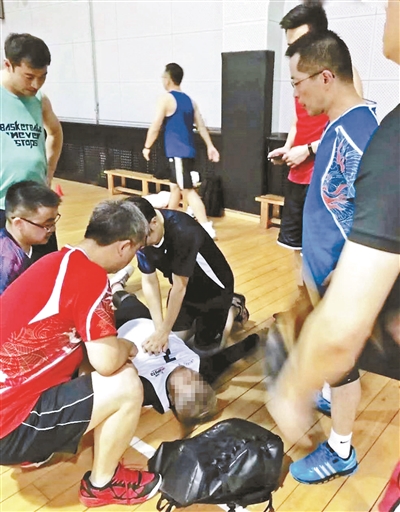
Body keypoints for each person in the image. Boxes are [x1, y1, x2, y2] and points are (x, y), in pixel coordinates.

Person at [266, 0, 399, 497]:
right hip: (325, 279)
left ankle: (341, 448)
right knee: (338, 372)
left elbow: (371, 230)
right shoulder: (338, 128)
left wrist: (338, 296)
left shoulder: (363, 137)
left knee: (343, 368)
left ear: (325, 77)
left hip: (341, 287)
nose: (296, 94)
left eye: (297, 83)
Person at [0, 199, 163, 507]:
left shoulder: (55, 260)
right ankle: (103, 484)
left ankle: (36, 450)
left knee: (83, 354)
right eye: (135, 251)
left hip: (6, 404)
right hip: (9, 426)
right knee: (126, 382)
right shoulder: (91, 277)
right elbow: (107, 362)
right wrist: (126, 346)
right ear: (124, 247)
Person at [268, 3, 363, 306]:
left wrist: (307, 150)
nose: (294, 51)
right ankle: (305, 305)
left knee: (327, 250)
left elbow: (346, 127)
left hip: (321, 172)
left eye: (300, 42)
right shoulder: (302, 77)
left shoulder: (342, 78)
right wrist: (290, 148)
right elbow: (298, 121)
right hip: (299, 172)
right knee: (298, 245)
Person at [122, 196, 248, 356]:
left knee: (204, 352)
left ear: (154, 222)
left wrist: (164, 332)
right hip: (185, 291)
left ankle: (233, 307)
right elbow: (149, 281)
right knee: (175, 342)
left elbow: (179, 287)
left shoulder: (184, 231)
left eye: (142, 241)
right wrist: (159, 328)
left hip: (215, 292)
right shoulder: (140, 233)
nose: (140, 247)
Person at [113, 292, 259, 425]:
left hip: (123, 329)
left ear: (172, 398)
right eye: (199, 379)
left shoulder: (149, 391)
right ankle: (234, 307)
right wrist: (254, 339)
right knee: (123, 296)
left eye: (187, 381)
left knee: (110, 305)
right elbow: (226, 358)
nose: (191, 373)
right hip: (152, 323)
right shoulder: (200, 371)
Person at [0, 33, 63, 259]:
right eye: (29, 77)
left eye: (42, 77)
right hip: (3, 206)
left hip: (38, 206)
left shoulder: (40, 100)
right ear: (8, 65)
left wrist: (49, 173)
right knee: (8, 274)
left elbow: (55, 132)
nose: (36, 84)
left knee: (45, 269)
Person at [142, 63, 219, 239]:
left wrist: (147, 146)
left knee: (188, 190)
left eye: (163, 77)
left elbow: (155, 125)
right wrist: (210, 146)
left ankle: (206, 227)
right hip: (188, 152)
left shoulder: (166, 99)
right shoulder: (190, 101)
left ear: (168, 79)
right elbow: (201, 126)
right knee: (175, 187)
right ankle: (168, 222)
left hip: (178, 153)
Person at [0, 180, 61, 294]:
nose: (52, 229)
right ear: (19, 224)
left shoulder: (30, 245)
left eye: (53, 223)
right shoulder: (7, 265)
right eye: (47, 225)